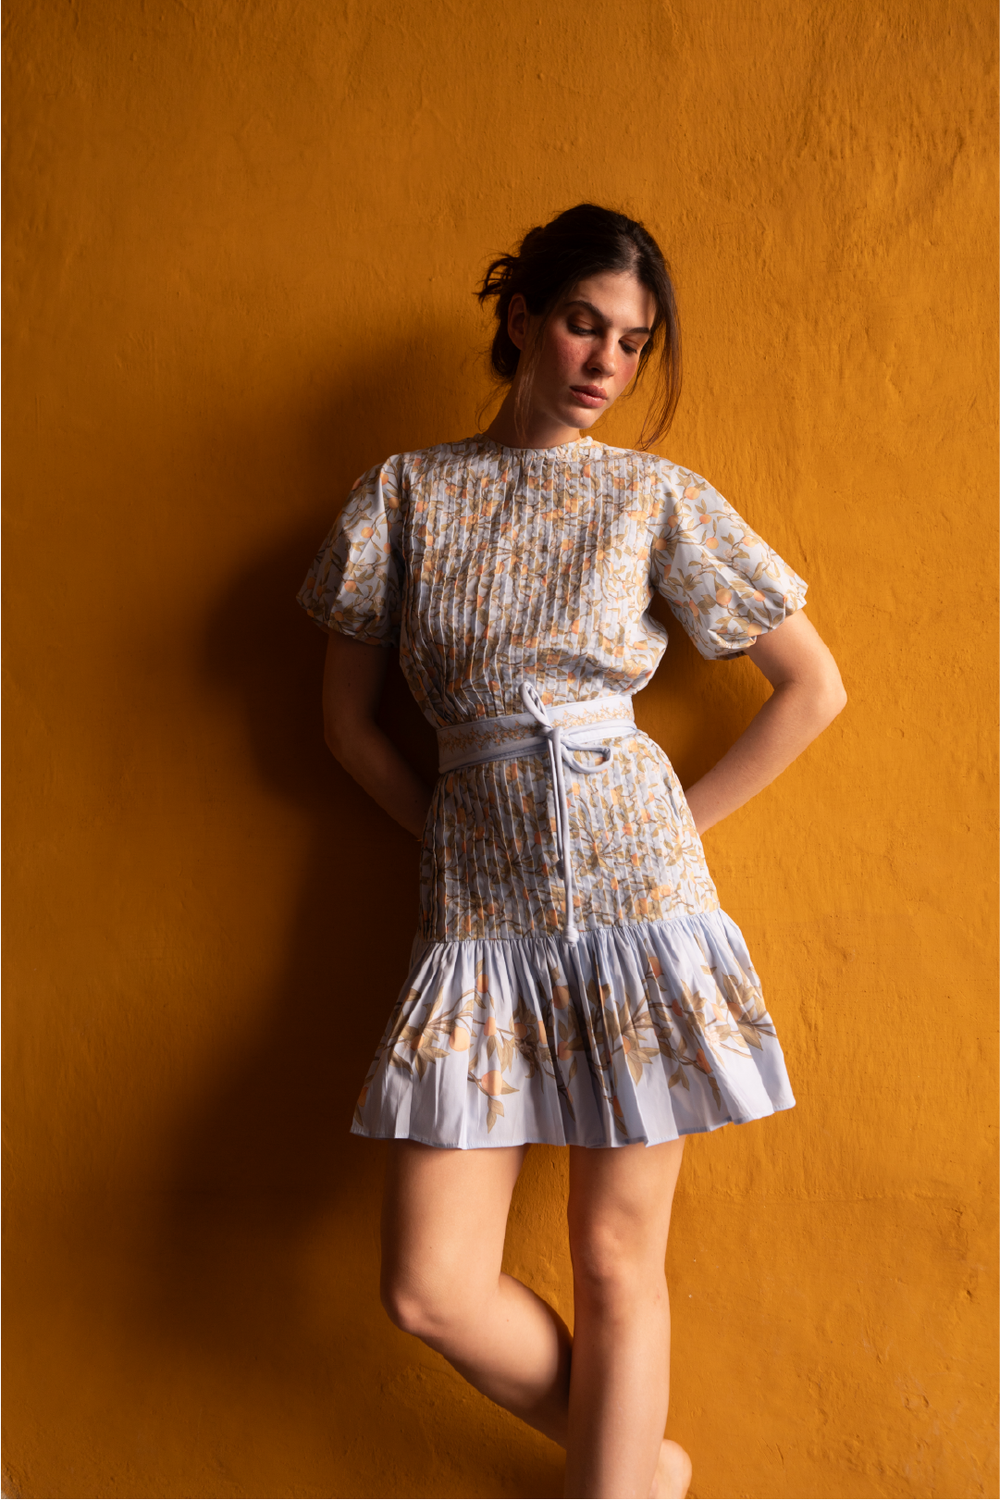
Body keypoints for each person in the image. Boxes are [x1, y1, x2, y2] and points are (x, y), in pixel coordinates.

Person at [297, 203, 846, 1500]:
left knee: (615, 1263)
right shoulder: (404, 495)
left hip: (639, 899)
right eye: (583, 325)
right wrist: (447, 833)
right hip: (477, 920)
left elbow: (813, 688)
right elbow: (346, 727)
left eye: (632, 342)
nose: (605, 361)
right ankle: (644, 1467)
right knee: (429, 1286)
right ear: (521, 319)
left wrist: (674, 832)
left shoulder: (655, 497)